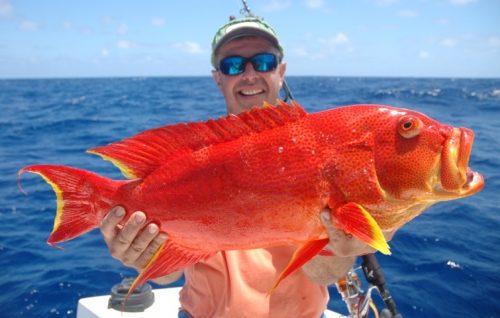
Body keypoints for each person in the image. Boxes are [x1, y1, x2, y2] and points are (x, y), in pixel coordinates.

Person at [99, 16, 396, 317]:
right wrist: (140, 254)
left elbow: (322, 274)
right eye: (233, 65)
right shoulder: (193, 159)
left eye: (264, 62)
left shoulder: (323, 153)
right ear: (218, 77)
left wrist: (338, 246)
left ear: (281, 72)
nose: (250, 74)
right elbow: (166, 276)